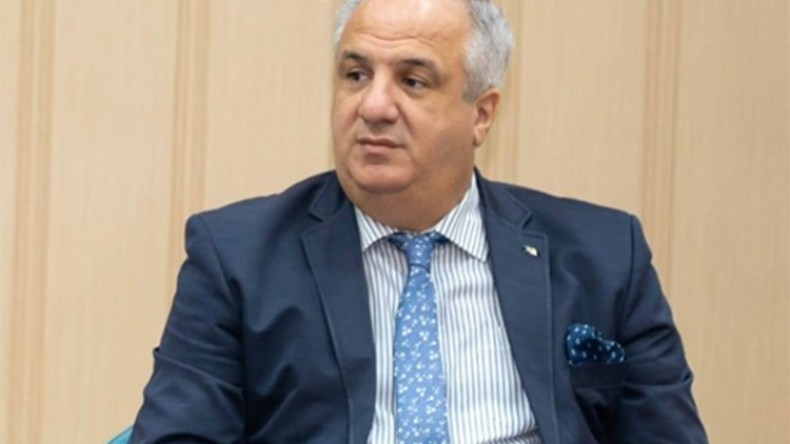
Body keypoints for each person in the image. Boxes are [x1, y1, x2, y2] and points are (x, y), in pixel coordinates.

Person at [131, 0, 707, 442]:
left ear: (482, 115)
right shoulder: (237, 258)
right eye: (356, 75)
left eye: (412, 81)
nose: (374, 106)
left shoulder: (606, 257)